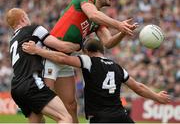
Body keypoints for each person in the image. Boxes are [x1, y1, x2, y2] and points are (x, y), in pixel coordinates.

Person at [45, 0, 138, 122]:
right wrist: (119, 24)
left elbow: (108, 42)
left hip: (65, 58)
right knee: (42, 100)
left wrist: (123, 32)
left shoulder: (98, 22)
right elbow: (93, 14)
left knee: (71, 104)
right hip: (49, 53)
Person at [22, 38, 171, 123]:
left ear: (87, 51)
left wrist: (38, 50)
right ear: (103, 50)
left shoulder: (88, 61)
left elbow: (63, 58)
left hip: (101, 119)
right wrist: (157, 96)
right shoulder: (117, 67)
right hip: (122, 117)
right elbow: (138, 87)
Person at [5, 8, 80, 123]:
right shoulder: (34, 29)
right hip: (31, 84)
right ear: (23, 18)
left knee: (38, 121)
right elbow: (61, 46)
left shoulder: (13, 40)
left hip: (16, 88)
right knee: (65, 118)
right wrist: (78, 46)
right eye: (27, 16)